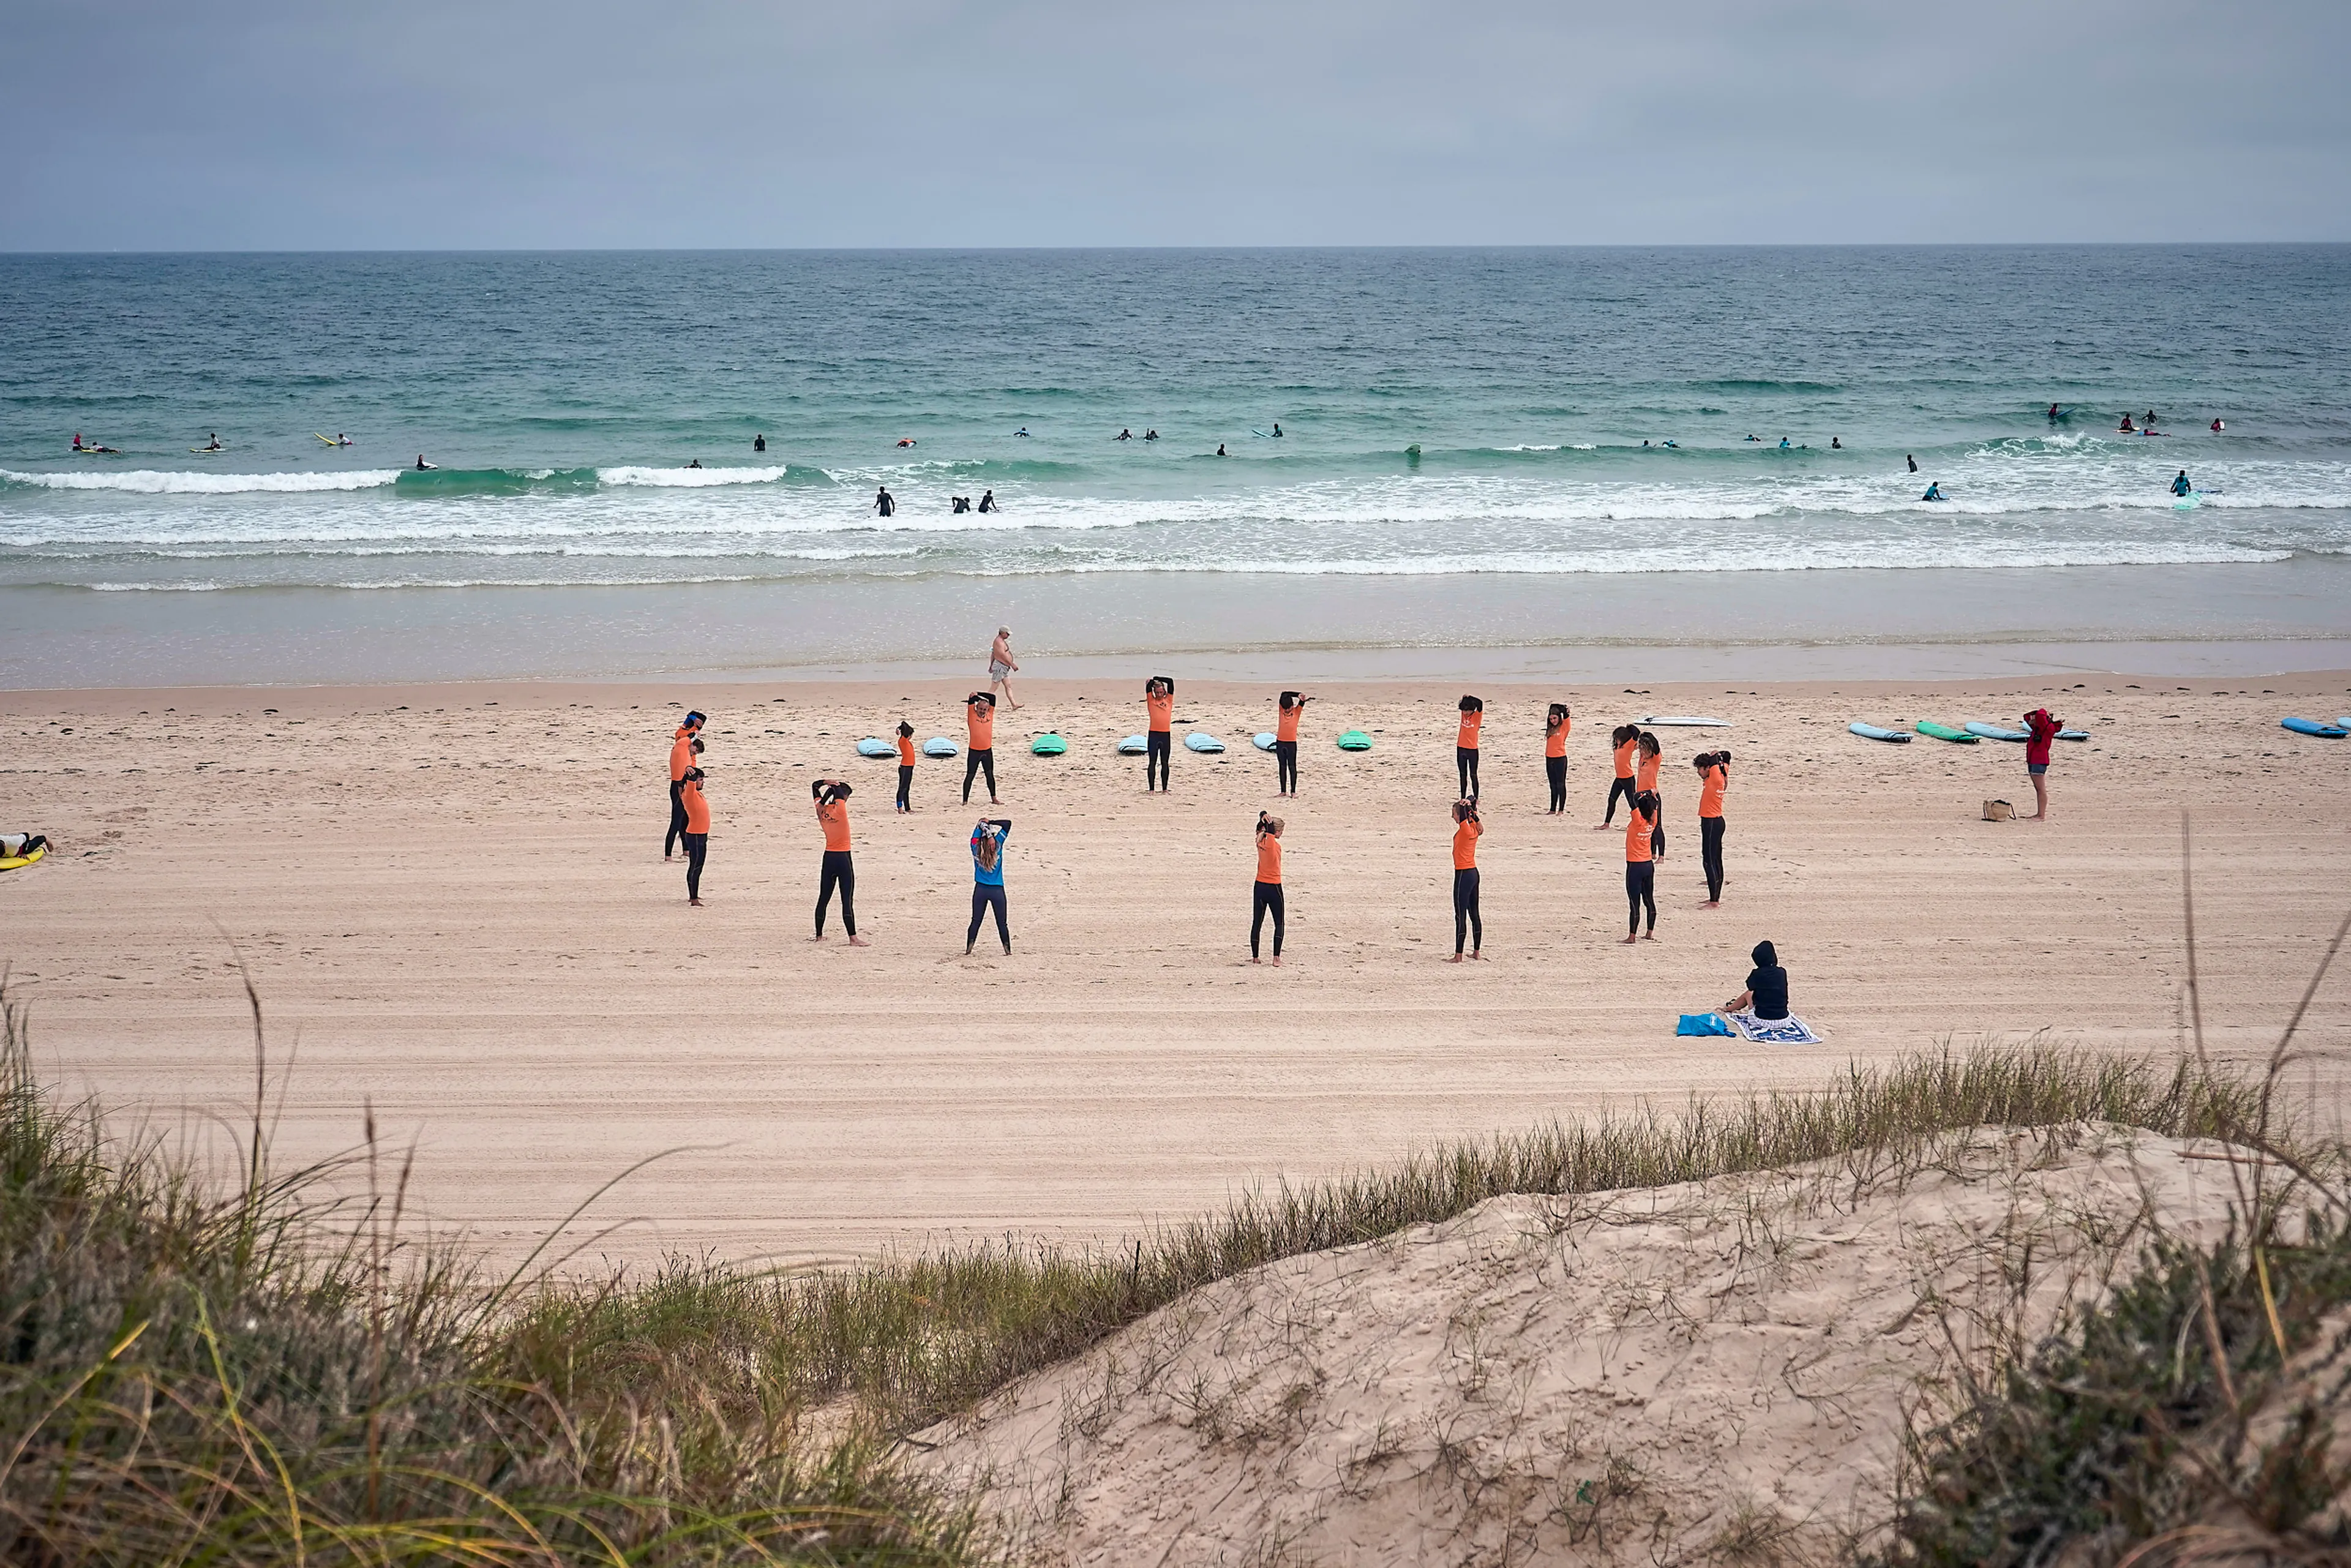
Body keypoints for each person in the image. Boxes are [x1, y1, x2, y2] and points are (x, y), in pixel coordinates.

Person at [811, 779, 866, 945]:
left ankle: (819, 936)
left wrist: (827, 783)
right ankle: (853, 938)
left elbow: (814, 786)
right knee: (846, 899)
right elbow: (839, 795)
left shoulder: (820, 810)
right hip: (843, 859)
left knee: (823, 898)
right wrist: (835, 787)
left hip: (828, 858)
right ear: (843, 797)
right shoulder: (841, 810)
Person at [967, 817, 1013, 955]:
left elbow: (979, 824)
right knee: (1002, 923)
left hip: (980, 890)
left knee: (975, 921)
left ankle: (969, 949)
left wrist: (984, 824)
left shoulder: (975, 845)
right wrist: (992, 823)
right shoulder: (998, 844)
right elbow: (1007, 824)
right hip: (997, 890)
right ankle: (1007, 951)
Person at [664, 711, 705, 860]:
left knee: (685, 818)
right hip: (677, 787)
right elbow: (690, 737)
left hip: (684, 785)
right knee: (676, 821)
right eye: (696, 750)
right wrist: (693, 720)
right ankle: (668, 855)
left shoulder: (688, 753)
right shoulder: (681, 743)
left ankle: (686, 850)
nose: (695, 753)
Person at [1622, 791, 1659, 944]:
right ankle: (1649, 933)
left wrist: (1647, 793)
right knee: (1649, 899)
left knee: (1634, 902)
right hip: (1648, 865)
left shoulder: (1637, 820)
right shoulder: (1653, 821)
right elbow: (1652, 804)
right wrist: (1653, 796)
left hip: (1635, 865)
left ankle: (1632, 936)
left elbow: (1634, 797)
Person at [1449, 798, 1483, 962]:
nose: (1453, 817)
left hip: (1463, 874)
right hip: (1474, 874)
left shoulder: (1465, 829)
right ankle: (1476, 952)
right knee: (1474, 914)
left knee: (1460, 915)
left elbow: (1465, 814)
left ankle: (1458, 956)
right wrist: (1469, 804)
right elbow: (1472, 802)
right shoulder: (1475, 827)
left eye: (1454, 814)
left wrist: (1464, 806)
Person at [1695, 750, 1730, 907]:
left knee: (1709, 861)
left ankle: (1714, 901)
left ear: (1707, 768)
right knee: (1716, 859)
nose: (1698, 773)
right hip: (1716, 821)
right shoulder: (1721, 774)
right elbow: (1727, 756)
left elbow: (1719, 756)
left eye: (1699, 769)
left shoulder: (1716, 777)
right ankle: (1715, 897)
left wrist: (1713, 755)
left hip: (1711, 823)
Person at [1251, 812, 1285, 965]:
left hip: (1259, 886)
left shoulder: (1259, 841)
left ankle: (1255, 957)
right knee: (1279, 923)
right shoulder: (1272, 843)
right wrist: (1266, 817)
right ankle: (1276, 958)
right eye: (1281, 831)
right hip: (1274, 887)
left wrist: (1263, 815)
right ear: (1276, 832)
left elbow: (1262, 827)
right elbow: (1270, 829)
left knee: (1257, 922)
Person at [1725, 940, 1788, 1020]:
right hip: (1783, 1019)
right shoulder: (1782, 972)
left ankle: (1728, 1009)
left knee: (1748, 994)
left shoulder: (1757, 974)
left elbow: (1750, 987)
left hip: (1762, 1020)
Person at [2023, 707, 2061, 821]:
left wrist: (2045, 714)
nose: (2032, 719)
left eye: (2034, 718)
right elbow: (2026, 716)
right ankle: (2039, 813)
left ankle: (2041, 815)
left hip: (2039, 761)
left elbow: (2040, 714)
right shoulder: (2037, 729)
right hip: (2033, 760)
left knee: (2041, 789)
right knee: (2038, 789)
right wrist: (2034, 716)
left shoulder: (2048, 728)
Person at [680, 767, 711, 905]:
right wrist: (688, 769)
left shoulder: (696, 794)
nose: (702, 782)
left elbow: (682, 784)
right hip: (696, 835)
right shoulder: (689, 794)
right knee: (696, 866)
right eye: (700, 780)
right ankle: (694, 899)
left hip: (701, 834)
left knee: (697, 865)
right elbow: (689, 780)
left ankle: (694, 894)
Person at [963, 691, 1000, 805]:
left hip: (987, 751)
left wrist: (979, 693)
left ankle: (994, 798)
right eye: (980, 709)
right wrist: (975, 696)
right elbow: (972, 698)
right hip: (974, 751)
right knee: (970, 775)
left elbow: (993, 697)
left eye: (985, 709)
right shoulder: (972, 715)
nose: (982, 711)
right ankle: (965, 800)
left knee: (990, 775)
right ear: (976, 708)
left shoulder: (990, 714)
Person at [1600, 723, 1639, 827]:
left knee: (1632, 802)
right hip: (1619, 778)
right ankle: (1606, 824)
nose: (1616, 740)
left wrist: (1629, 726)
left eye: (1618, 738)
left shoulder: (1628, 746)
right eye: (1615, 738)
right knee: (1611, 800)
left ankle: (1639, 823)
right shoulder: (1616, 748)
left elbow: (1636, 733)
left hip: (1628, 779)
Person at [1636, 731, 1665, 859]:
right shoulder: (1642, 758)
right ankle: (1651, 853)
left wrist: (1648, 737)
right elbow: (1634, 733)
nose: (1641, 752)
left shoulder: (1655, 759)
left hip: (1652, 796)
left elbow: (1656, 746)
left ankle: (1661, 856)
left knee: (1657, 826)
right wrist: (1641, 736)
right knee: (1646, 825)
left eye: (1644, 749)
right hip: (1641, 796)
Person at [1275, 690, 1308, 796]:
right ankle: (1283, 791)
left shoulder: (1297, 710)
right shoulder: (1281, 709)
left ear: (1292, 706)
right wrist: (1296, 694)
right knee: (1282, 767)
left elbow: (1302, 702)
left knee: (1292, 767)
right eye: (1285, 709)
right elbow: (1284, 694)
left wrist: (1300, 697)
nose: (1287, 711)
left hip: (1291, 743)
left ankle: (1293, 791)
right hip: (1280, 742)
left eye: (1288, 709)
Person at [1144, 676, 1175, 792]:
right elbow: (1148, 687)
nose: (1159, 694)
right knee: (1152, 762)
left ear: (1164, 692)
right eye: (1157, 692)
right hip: (1154, 735)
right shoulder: (1151, 700)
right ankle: (1151, 789)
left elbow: (1171, 682)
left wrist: (1157, 678)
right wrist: (1151, 682)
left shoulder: (1169, 700)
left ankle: (1164, 789)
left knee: (1165, 763)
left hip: (1165, 735)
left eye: (1161, 692)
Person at [1544, 703, 1572, 814]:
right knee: (1553, 785)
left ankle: (1561, 810)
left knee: (1561, 784)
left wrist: (1564, 710)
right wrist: (1552, 710)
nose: (1553, 721)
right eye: (1551, 719)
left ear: (1559, 717)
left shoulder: (1564, 726)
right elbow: (1551, 706)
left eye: (1555, 718)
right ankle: (1552, 809)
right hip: (1549, 758)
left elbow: (1565, 712)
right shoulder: (1550, 728)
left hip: (1560, 758)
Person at [1455, 694, 1484, 798]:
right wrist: (1464, 700)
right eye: (1464, 710)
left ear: (1472, 709)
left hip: (1472, 750)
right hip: (1461, 748)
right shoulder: (1463, 716)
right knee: (1463, 775)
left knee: (1473, 775)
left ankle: (1476, 798)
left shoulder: (1477, 716)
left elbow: (1480, 703)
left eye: (1467, 711)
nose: (1465, 713)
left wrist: (1470, 697)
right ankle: (1462, 797)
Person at [989, 626, 1021, 708]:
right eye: (1007, 634)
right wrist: (1012, 664)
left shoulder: (1000, 641)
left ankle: (1014, 704)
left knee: (1008, 686)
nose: (1008, 636)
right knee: (993, 688)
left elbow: (993, 654)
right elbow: (1002, 655)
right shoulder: (999, 642)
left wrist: (991, 665)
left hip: (1004, 668)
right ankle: (985, 704)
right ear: (1003, 633)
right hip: (1000, 667)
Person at [894, 721, 917, 813]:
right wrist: (899, 729)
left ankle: (908, 808)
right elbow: (904, 724)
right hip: (905, 768)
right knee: (902, 788)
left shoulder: (908, 742)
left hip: (910, 767)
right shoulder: (903, 741)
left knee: (907, 788)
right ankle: (900, 808)